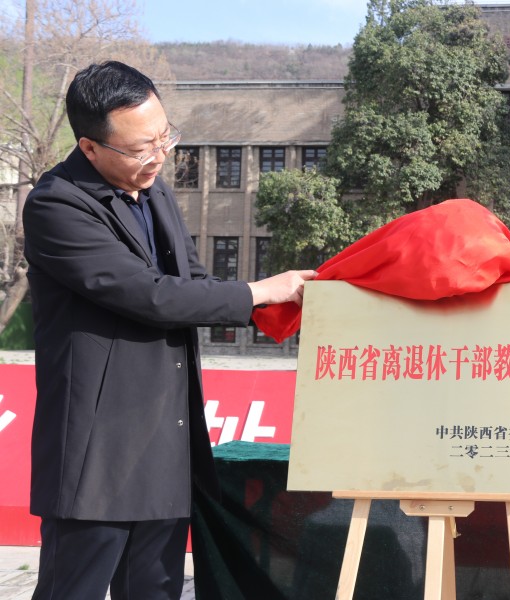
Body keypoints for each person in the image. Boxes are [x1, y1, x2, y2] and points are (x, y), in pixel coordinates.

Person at [23, 61, 316, 599]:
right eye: (141, 148)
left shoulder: (153, 190)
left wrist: (280, 303)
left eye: (165, 138)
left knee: (155, 590)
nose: (159, 156)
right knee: (74, 589)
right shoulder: (56, 205)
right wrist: (257, 291)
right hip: (98, 451)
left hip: (165, 437)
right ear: (90, 147)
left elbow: (191, 281)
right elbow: (149, 294)